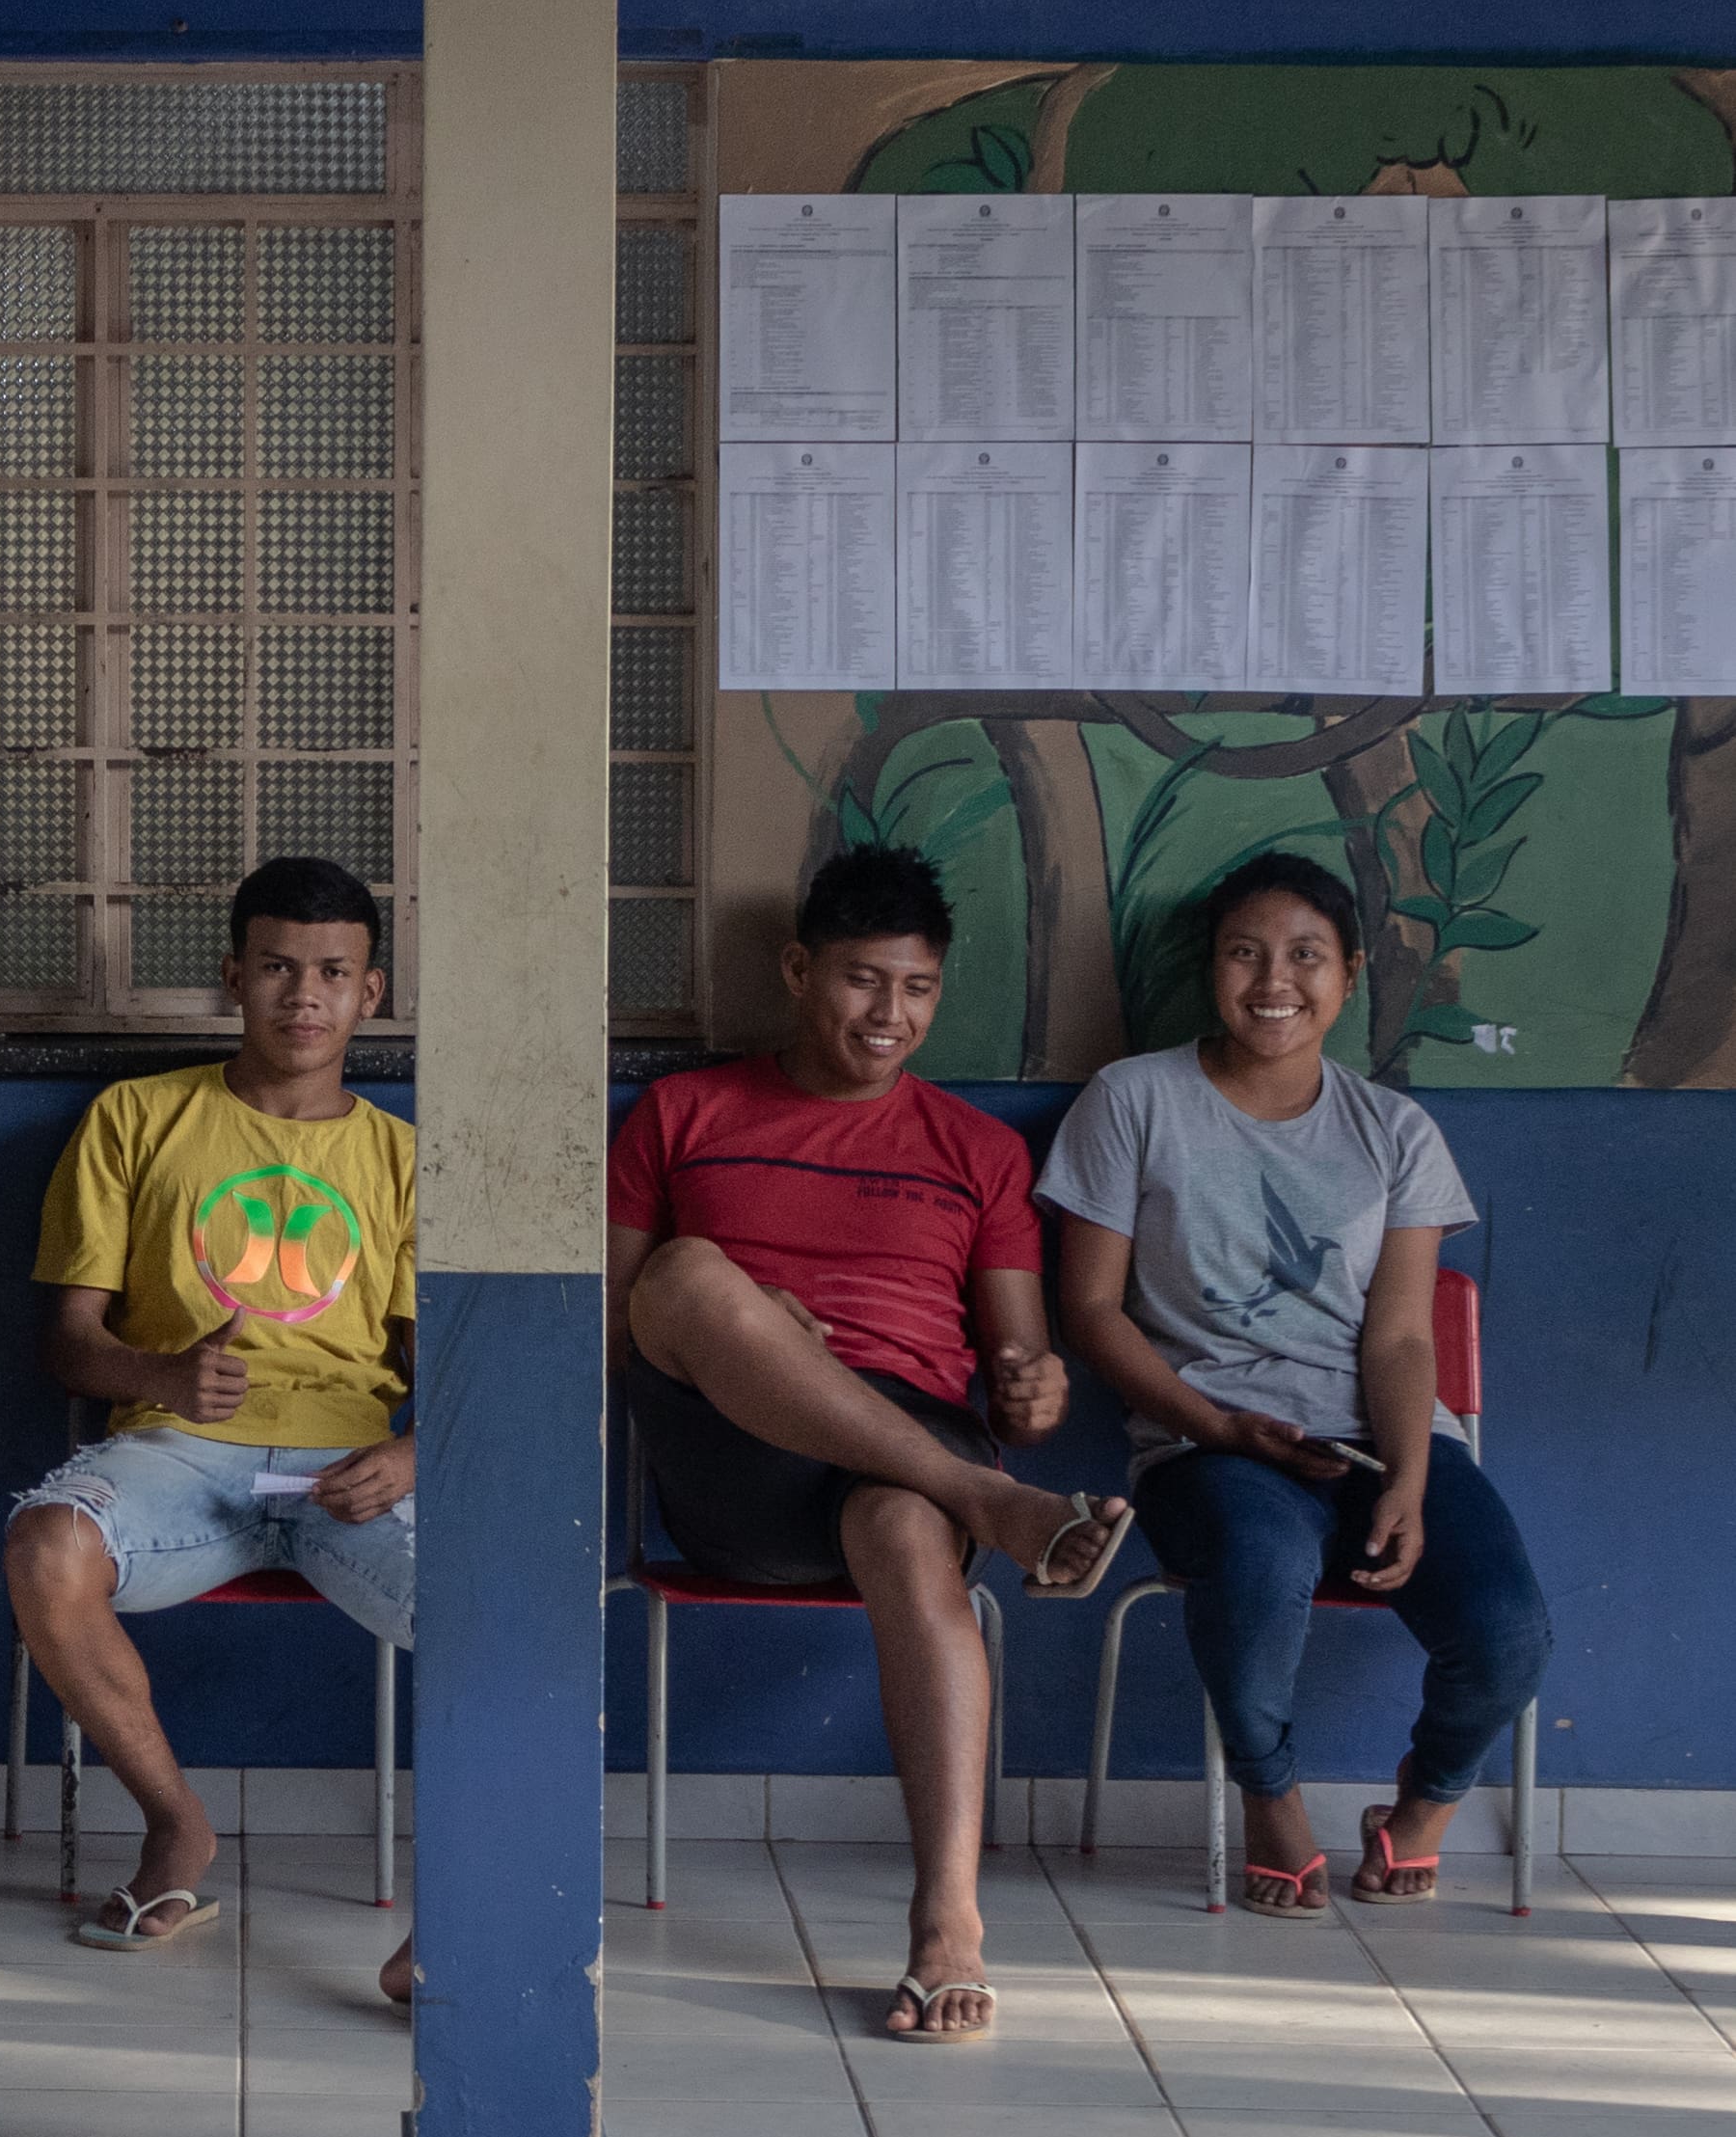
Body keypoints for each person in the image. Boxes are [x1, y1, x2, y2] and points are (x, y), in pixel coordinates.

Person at [610, 843, 1127, 2042]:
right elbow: (613, 1327)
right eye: (860, 980)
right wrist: (756, 1332)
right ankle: (994, 1503)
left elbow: (1018, 1375)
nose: (889, 1015)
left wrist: (1036, 1393)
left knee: (905, 1523)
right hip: (736, 1457)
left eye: (916, 988)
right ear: (797, 970)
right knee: (690, 1273)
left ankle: (948, 1921)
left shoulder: (978, 1151)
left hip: (911, 1457)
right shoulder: (684, 1115)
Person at [1041, 851, 1549, 1915]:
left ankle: (1423, 1804)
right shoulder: (1132, 1099)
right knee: (1262, 1562)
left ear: (1350, 975)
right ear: (1210, 969)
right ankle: (1270, 1793)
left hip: (1375, 1437)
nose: (1274, 980)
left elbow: (1403, 1337)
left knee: (1506, 1631)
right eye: (1244, 953)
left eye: (1305, 956)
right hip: (1204, 1444)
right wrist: (1216, 1421)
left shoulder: (1394, 1131)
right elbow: (1090, 1312)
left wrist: (1408, 1472)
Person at [0, 859, 417, 1999]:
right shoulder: (135, 1118)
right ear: (233, 975)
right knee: (45, 1547)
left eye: (332, 972)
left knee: (500, 1610)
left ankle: (458, 1922)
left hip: (352, 1469)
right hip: (179, 1458)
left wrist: (408, 1454)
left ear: (370, 991)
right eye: (278, 966)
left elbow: (453, 1371)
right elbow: (67, 1341)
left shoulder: (401, 1157)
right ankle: (176, 1828)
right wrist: (161, 1374)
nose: (304, 995)